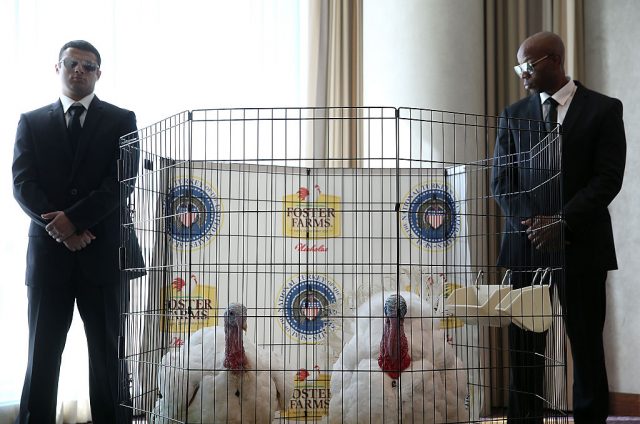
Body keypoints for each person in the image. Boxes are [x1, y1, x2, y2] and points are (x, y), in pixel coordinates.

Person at [491, 31, 626, 423]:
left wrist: (562, 222)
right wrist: (536, 223)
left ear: (553, 61)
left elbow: (607, 179)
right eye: (519, 67)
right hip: (525, 246)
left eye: (527, 66)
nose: (521, 74)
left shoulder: (603, 110)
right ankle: (525, 418)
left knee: (585, 346)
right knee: (525, 347)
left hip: (581, 245)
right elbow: (502, 182)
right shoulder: (513, 114)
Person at [12, 40, 143, 423]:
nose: (79, 70)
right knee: (42, 355)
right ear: (58, 68)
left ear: (98, 74)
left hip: (104, 258)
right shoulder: (31, 121)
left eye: (88, 66)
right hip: (49, 259)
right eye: (72, 63)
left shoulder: (122, 119)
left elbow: (122, 182)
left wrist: (75, 221)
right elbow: (23, 184)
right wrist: (62, 229)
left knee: (108, 356)